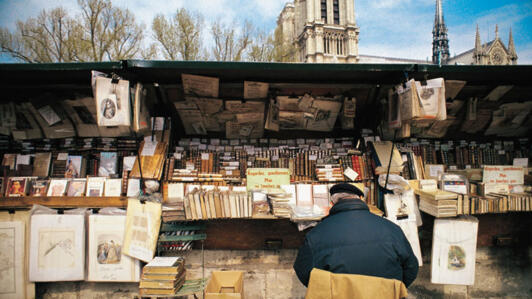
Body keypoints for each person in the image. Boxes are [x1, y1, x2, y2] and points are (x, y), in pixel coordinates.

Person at [293, 183, 418, 288]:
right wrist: (393, 290)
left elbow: (303, 271)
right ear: (360, 199)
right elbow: (411, 267)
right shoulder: (392, 229)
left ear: (332, 203)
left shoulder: (316, 234)